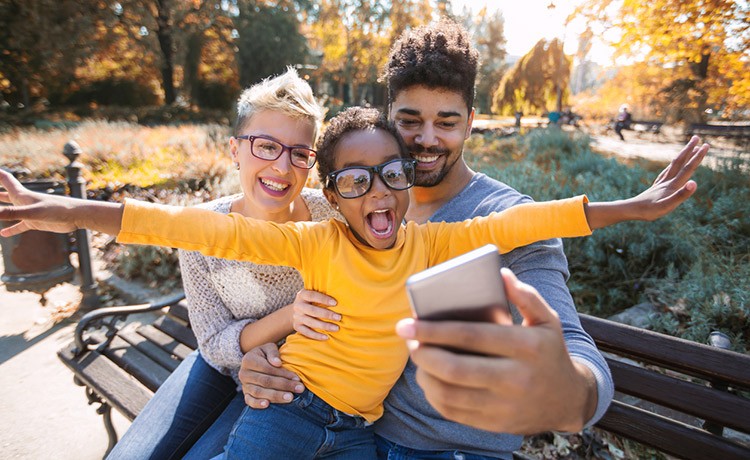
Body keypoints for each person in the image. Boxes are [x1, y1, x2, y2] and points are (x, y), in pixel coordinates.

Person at [0, 102, 707, 458]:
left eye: (393, 174)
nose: (380, 192)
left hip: (363, 433)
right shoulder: (311, 241)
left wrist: (636, 207)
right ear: (329, 195)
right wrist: (56, 208)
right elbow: (175, 225)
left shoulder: (434, 244)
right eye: (357, 179)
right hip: (291, 408)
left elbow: (531, 222)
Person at [237, 21, 710, 459]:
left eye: (446, 122)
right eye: (409, 120)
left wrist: (566, 389)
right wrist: (261, 356)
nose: (426, 139)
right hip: (346, 434)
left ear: (470, 121)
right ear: (387, 115)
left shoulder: (506, 219)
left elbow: (571, 345)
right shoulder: (347, 203)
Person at [105, 68, 342, 459]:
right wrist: (288, 317)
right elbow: (214, 343)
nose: (282, 168)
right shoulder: (202, 229)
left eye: (299, 153)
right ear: (235, 150)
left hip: (287, 378)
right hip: (222, 367)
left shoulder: (328, 218)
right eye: (266, 146)